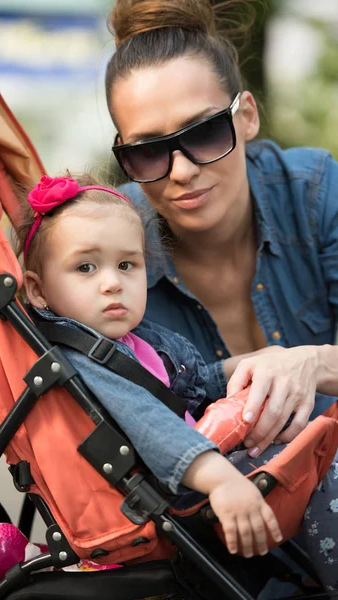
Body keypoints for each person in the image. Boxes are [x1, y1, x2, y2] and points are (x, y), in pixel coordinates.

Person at [15, 173, 338, 596]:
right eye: (86, 267)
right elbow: (150, 423)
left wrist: (255, 363)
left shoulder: (136, 341)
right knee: (327, 470)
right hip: (184, 489)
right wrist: (220, 480)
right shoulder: (82, 359)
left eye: (126, 264)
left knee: (317, 428)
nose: (112, 282)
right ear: (38, 291)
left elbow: (194, 380)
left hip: (201, 468)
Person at [105, 0, 338, 460]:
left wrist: (312, 362)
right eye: (148, 151)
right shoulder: (103, 249)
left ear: (247, 116)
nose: (182, 172)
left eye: (204, 132)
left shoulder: (314, 191)